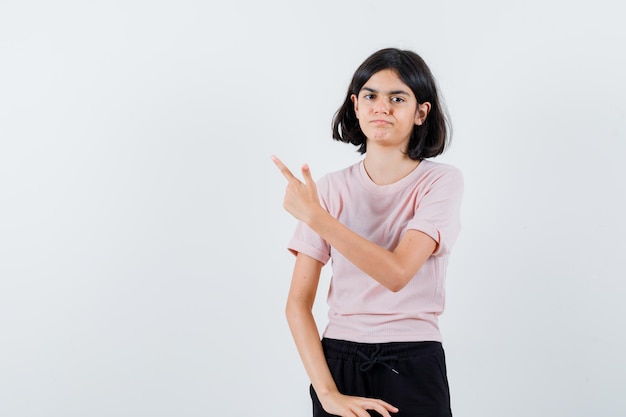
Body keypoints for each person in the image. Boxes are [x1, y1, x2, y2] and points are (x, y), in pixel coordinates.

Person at [272, 47, 463, 417]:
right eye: (371, 96)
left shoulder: (440, 181)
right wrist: (327, 394)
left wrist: (316, 217)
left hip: (413, 360)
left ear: (421, 112)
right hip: (339, 360)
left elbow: (397, 273)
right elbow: (297, 304)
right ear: (356, 105)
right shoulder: (327, 189)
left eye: (398, 97)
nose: (382, 107)